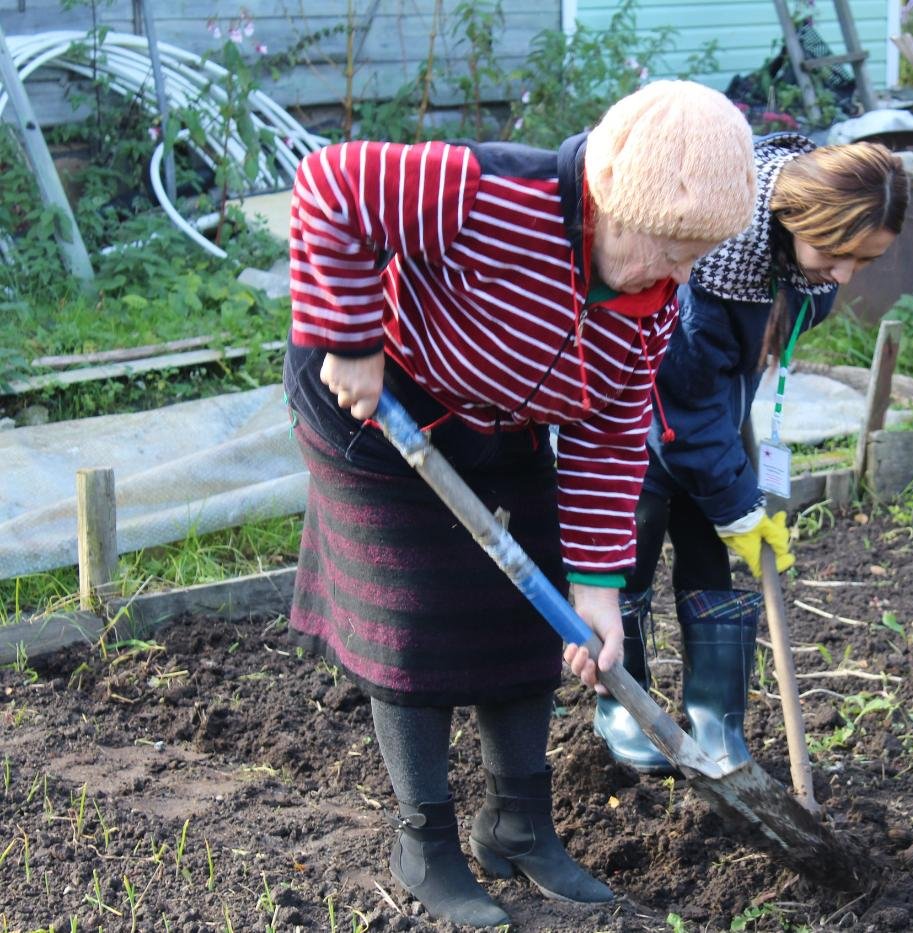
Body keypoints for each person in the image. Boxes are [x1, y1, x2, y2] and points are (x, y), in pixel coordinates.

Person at [282, 81, 756, 927]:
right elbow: (329, 186)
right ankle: (422, 840)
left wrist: (598, 593)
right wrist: (350, 338)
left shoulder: (650, 303)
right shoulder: (492, 195)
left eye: (699, 251)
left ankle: (517, 822)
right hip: (374, 403)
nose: (682, 272)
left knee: (527, 611)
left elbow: (612, 434)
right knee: (415, 618)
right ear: (612, 196)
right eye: (673, 243)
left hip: (500, 416)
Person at [585, 135, 909, 774]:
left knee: (710, 557)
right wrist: (739, 505)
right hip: (636, 424)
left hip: (707, 420)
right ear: (796, 222)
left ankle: (717, 720)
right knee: (630, 558)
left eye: (863, 262)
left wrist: (736, 498)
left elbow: (725, 387)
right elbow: (682, 407)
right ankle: (625, 703)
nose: (845, 275)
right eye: (839, 255)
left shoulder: (798, 253)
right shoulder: (713, 269)